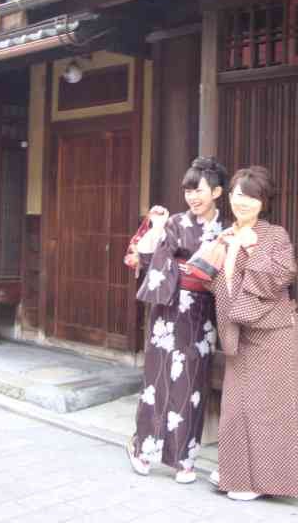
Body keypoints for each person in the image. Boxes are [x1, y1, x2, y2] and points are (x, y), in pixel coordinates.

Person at [125, 157, 227, 484]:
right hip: (168, 312)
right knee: (157, 381)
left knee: (191, 384)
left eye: (198, 190)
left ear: (217, 192)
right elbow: (148, 257)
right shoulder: (176, 223)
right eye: (187, 191)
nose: (191, 197)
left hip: (201, 314)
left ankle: (185, 458)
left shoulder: (226, 230)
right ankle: (142, 448)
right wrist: (156, 228)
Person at [208, 165, 298, 501]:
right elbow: (215, 282)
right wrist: (216, 252)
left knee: (268, 408)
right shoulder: (225, 234)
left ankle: (265, 481)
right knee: (236, 405)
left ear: (263, 201)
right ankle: (236, 471)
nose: (243, 202)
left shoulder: (274, 235)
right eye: (237, 194)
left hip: (273, 332)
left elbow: (283, 273)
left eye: (251, 196)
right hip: (240, 328)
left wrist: (250, 247)